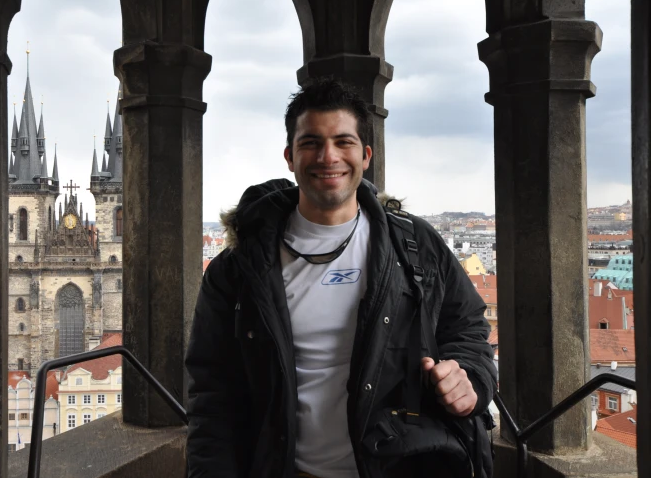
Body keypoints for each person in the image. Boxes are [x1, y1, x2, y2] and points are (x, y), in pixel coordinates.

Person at [185, 79, 497, 478]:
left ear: (365, 155)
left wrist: (468, 377)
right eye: (311, 142)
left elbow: (467, 327)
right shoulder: (238, 269)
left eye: (343, 142)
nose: (328, 156)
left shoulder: (414, 243)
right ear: (289, 156)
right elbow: (213, 395)